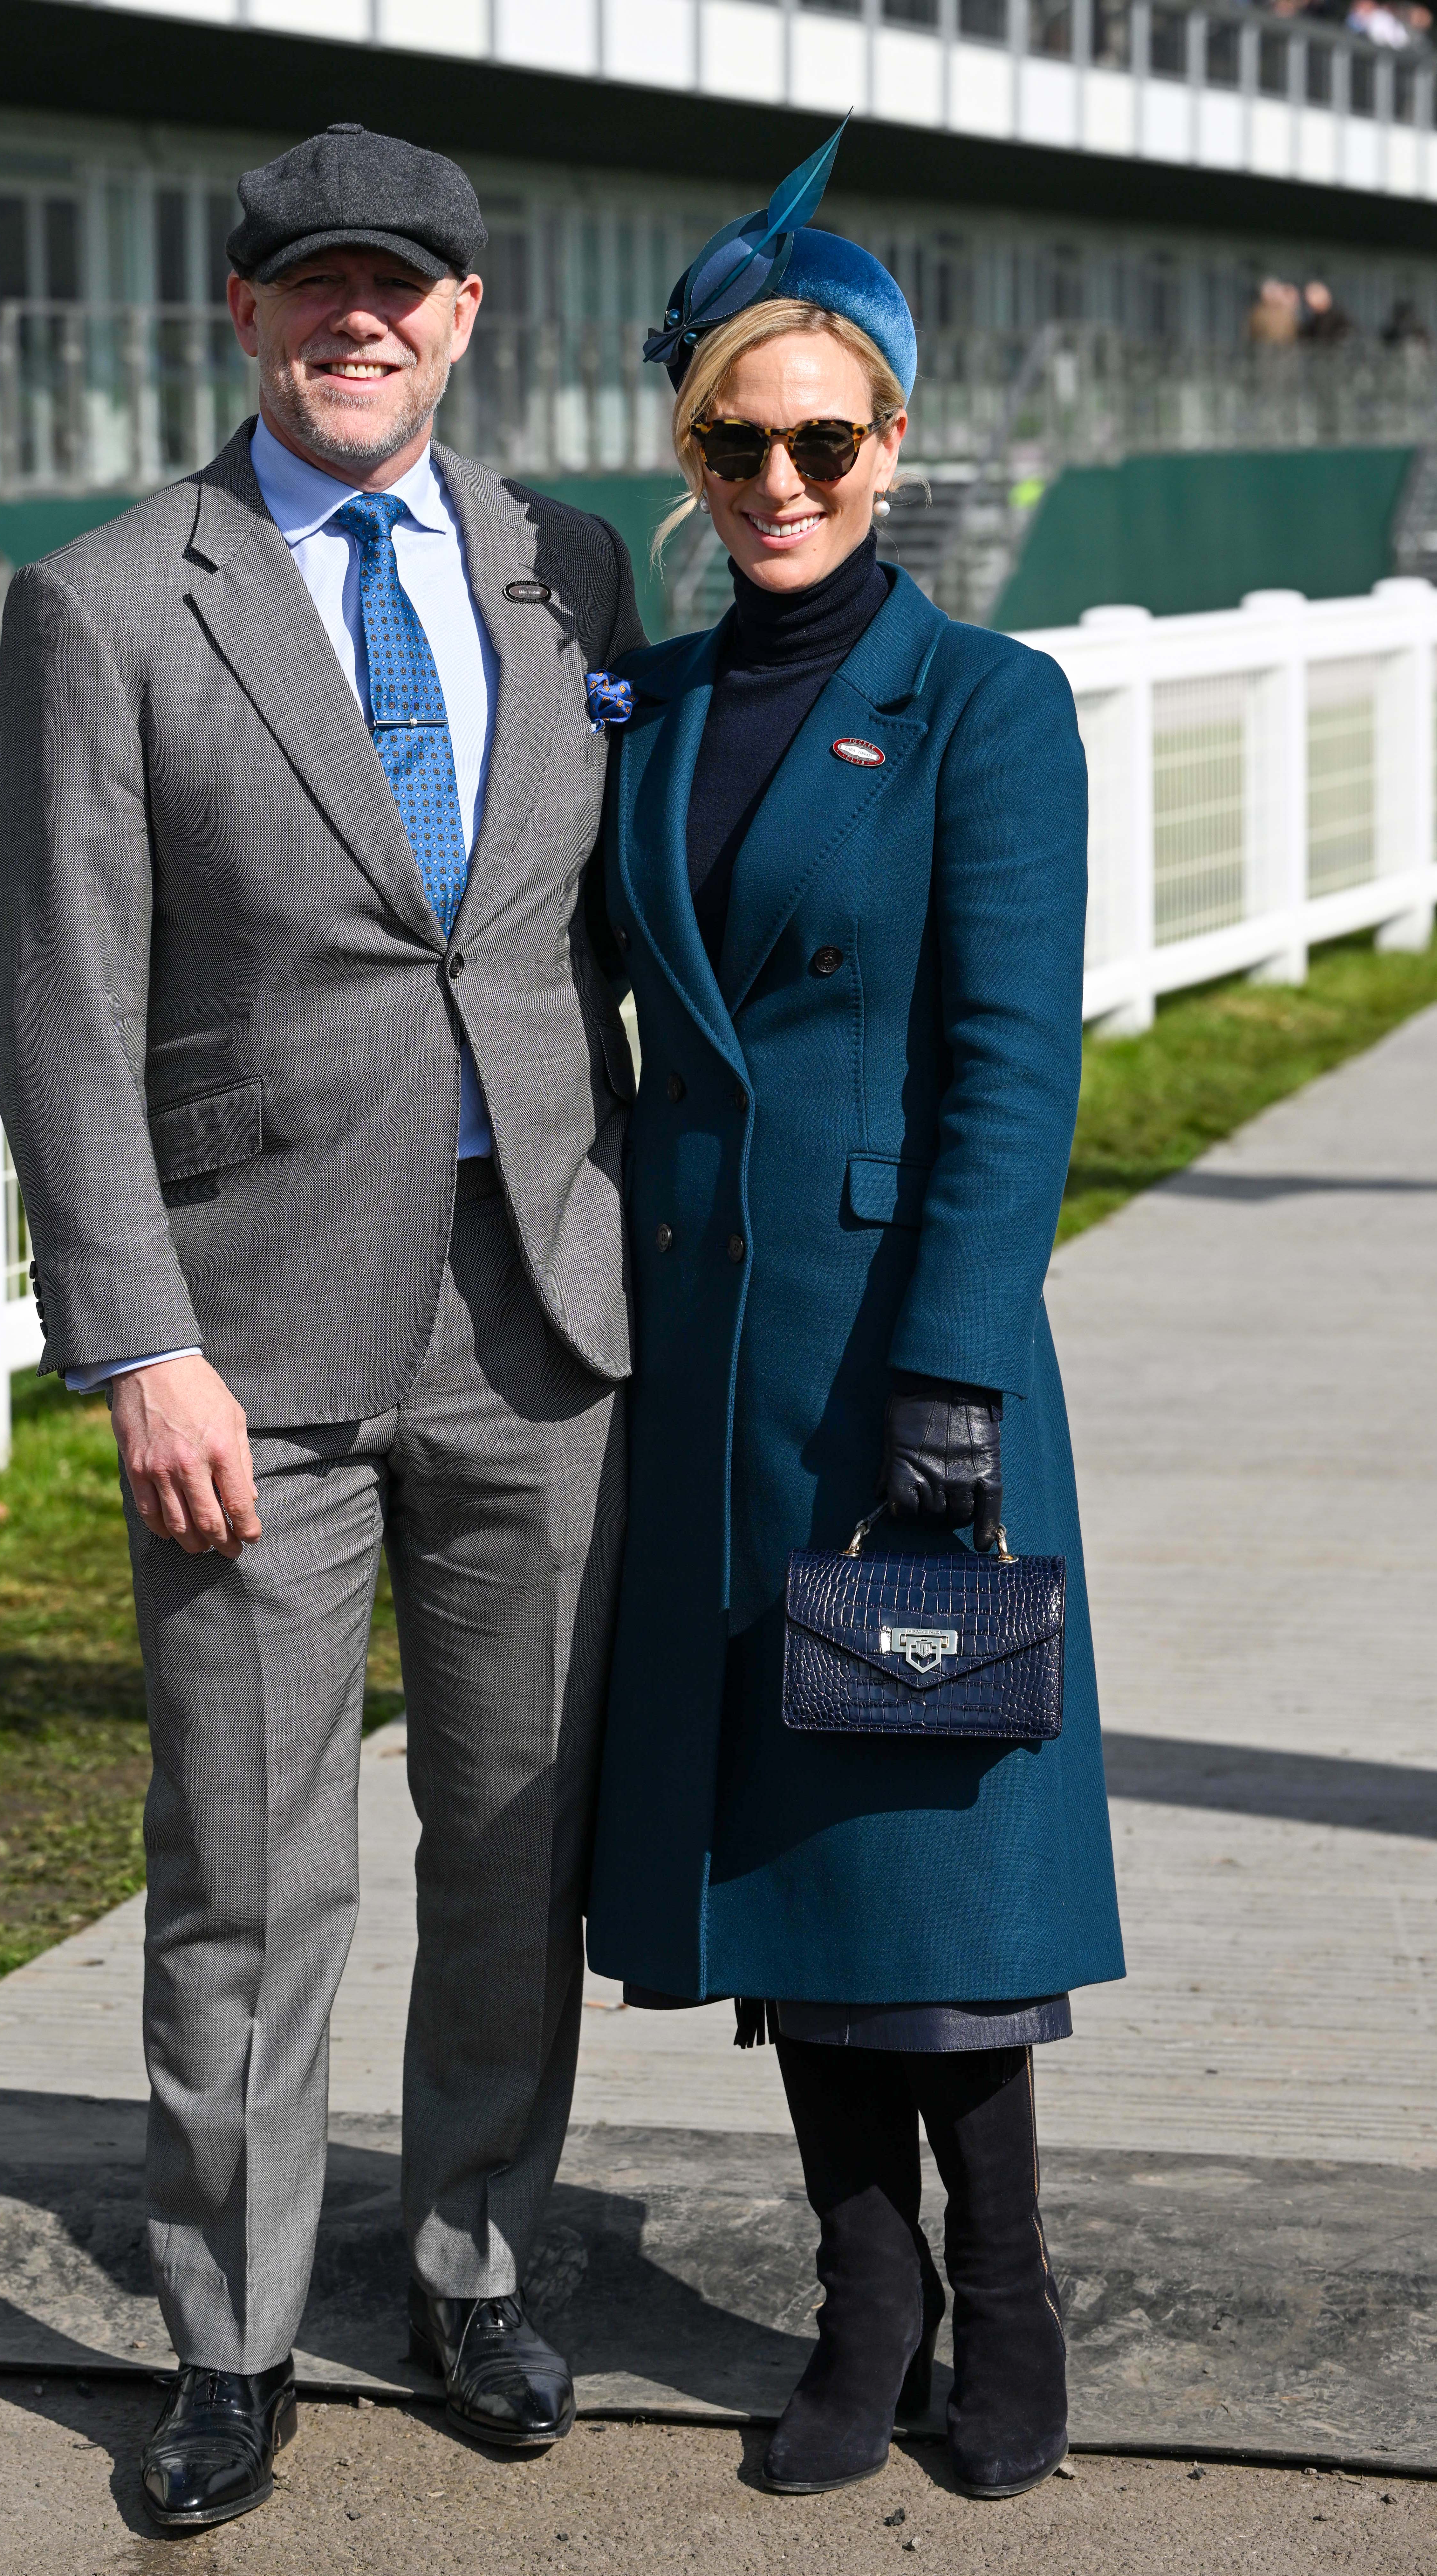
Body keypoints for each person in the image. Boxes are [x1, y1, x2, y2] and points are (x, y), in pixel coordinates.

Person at [0, 121, 643, 2534]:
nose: (360, 323)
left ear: (465, 319)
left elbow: (571, 938)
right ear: (244, 317)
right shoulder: (107, 600)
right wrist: (131, 1334)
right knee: (247, 1864)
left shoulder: (559, 564)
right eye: (313, 290)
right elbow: (62, 1009)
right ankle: (230, 2338)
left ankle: (474, 2264)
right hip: (243, 1344)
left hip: (539, 1311)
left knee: (509, 1834)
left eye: (404, 290)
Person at [584, 124, 1124, 2507]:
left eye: (824, 437)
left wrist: (947, 1367)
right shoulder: (658, 707)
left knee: (931, 1848)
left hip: (913, 1361)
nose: (780, 476)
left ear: (890, 442)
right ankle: (859, 2287)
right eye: (737, 441)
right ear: (687, 456)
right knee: (791, 1854)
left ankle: (998, 2291)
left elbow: (1015, 1063)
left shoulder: (983, 702)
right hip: (707, 1366)